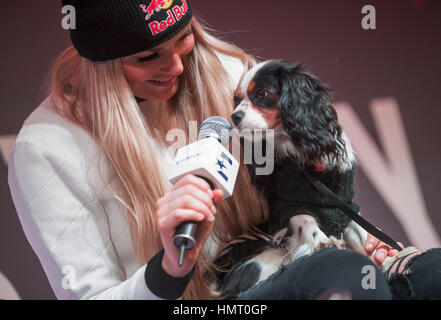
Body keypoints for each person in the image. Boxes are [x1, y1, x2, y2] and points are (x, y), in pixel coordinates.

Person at [7, 0, 440, 300]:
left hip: (273, 258)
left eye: (182, 39)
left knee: (431, 274)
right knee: (341, 277)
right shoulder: (47, 148)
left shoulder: (230, 79)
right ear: (101, 64)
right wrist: (169, 270)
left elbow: (306, 191)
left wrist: (359, 234)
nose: (176, 66)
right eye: (147, 56)